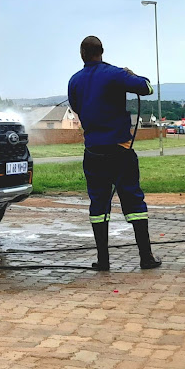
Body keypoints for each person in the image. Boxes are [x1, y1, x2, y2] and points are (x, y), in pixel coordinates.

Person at [68, 36, 162, 271]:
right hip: (120, 150)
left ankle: (103, 260)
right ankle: (146, 257)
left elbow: (77, 107)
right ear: (102, 51)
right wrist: (131, 74)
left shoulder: (74, 80)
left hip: (93, 151)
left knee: (98, 204)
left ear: (82, 53)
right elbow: (147, 88)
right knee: (133, 199)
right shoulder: (115, 74)